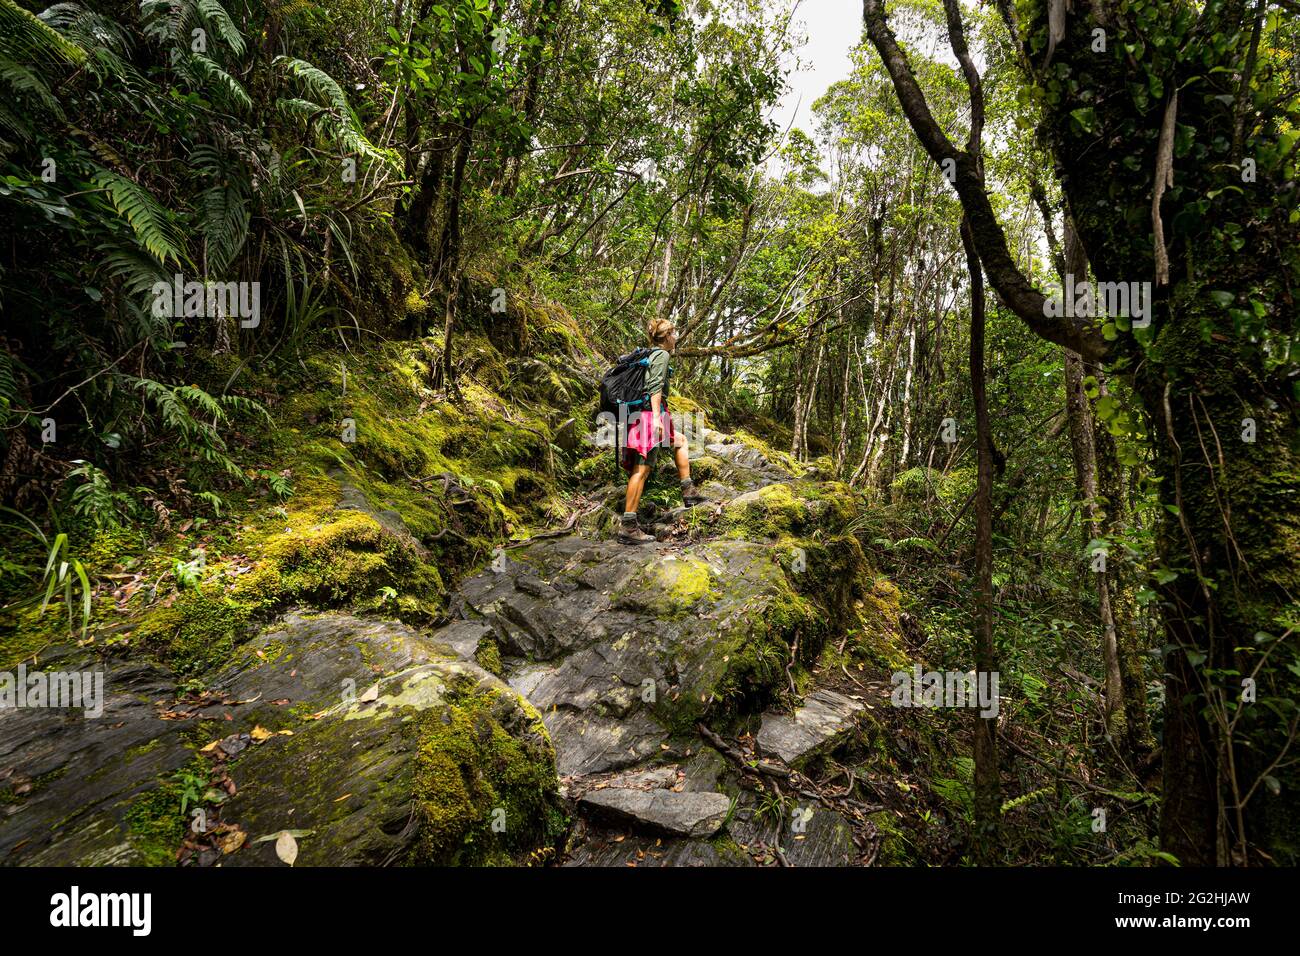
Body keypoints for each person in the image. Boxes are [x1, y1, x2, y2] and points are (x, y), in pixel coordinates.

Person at [617, 318, 705, 544]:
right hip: (649, 416)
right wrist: (656, 419)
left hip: (641, 415)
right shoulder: (662, 355)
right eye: (674, 334)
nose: (676, 338)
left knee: (680, 441)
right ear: (666, 336)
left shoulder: (650, 354)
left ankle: (689, 492)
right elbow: (654, 386)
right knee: (642, 469)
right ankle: (628, 526)